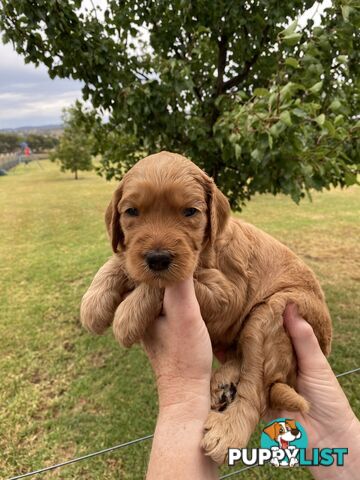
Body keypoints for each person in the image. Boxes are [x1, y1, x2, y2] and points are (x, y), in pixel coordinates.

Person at [144, 277, 360, 480]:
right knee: (251, 332)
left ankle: (243, 413)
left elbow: (218, 295)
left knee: (262, 321)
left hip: (280, 312)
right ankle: (243, 372)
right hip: (256, 328)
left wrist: (182, 386)